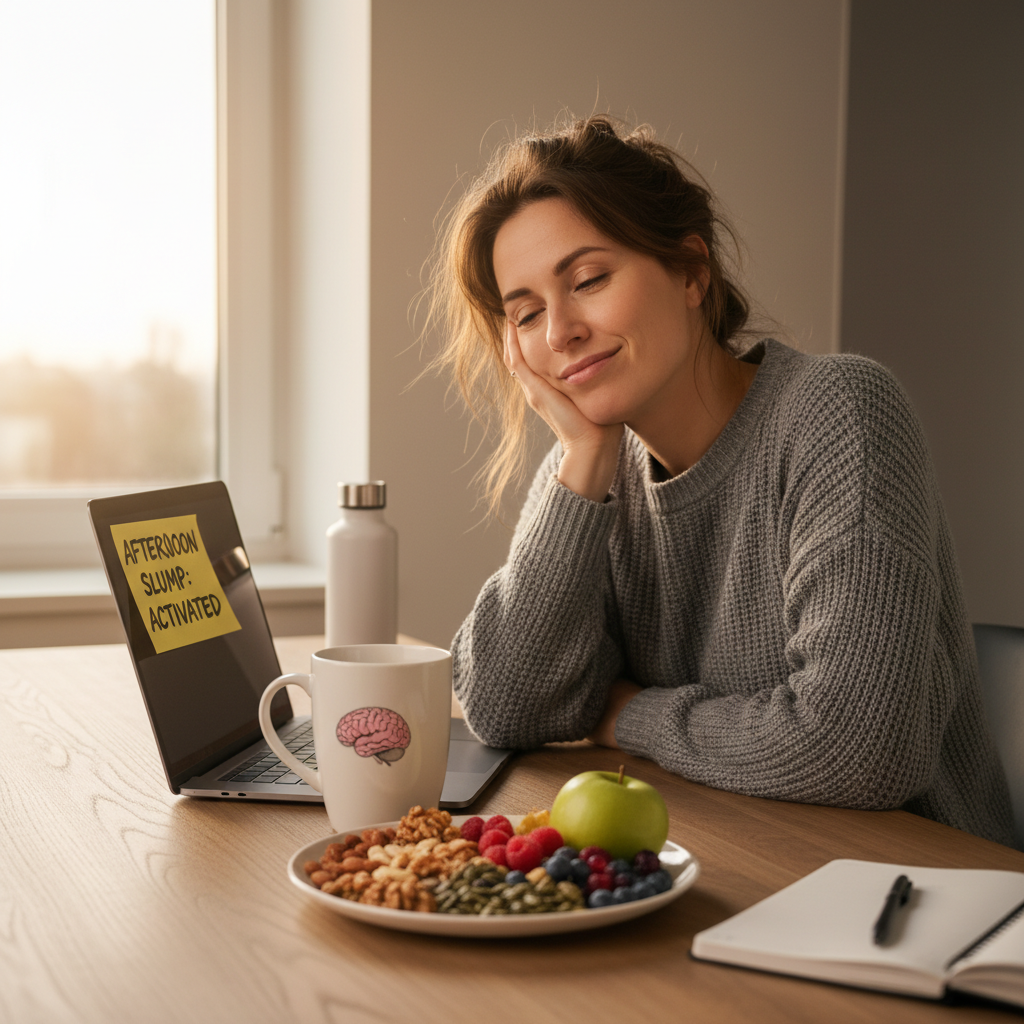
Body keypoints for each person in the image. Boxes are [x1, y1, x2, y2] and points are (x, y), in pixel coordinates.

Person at [426, 115, 1014, 846]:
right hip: (739, 853)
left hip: (913, 880)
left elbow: (858, 749)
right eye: (526, 313)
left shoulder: (840, 411)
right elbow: (502, 706)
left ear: (691, 272)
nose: (559, 332)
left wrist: (623, 712)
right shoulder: (591, 476)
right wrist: (579, 457)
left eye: (588, 281)